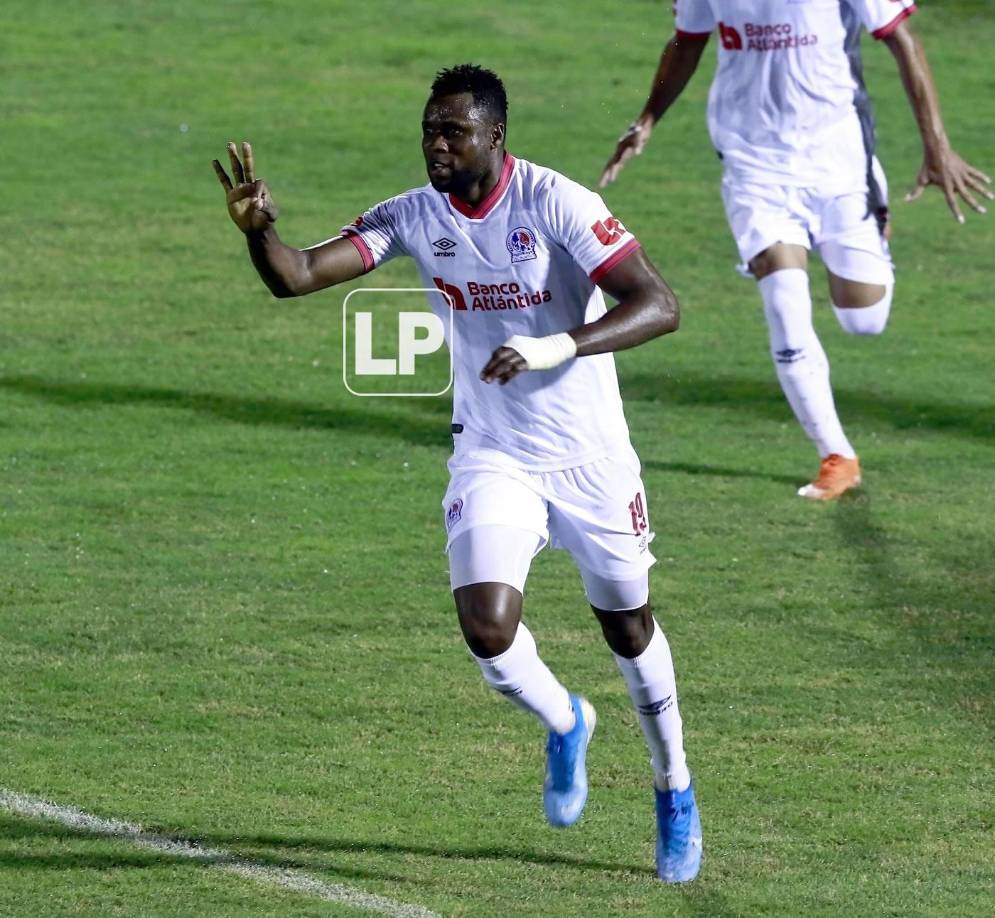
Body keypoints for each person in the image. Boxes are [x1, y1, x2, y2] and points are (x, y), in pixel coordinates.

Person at [213, 64, 703, 882]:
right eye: (428, 132)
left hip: (589, 459)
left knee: (625, 626)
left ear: (495, 138)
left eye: (453, 132)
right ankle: (565, 719)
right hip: (494, 451)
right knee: (486, 627)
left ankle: (672, 784)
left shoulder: (558, 203)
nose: (436, 146)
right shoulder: (413, 214)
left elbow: (659, 304)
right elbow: (295, 276)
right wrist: (257, 230)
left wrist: (556, 345)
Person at [601, 1, 991, 500]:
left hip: (839, 157)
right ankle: (837, 455)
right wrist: (647, 118)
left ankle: (871, 225)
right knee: (784, 303)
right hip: (753, 162)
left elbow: (902, 40)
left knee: (863, 319)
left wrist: (937, 145)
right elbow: (687, 39)